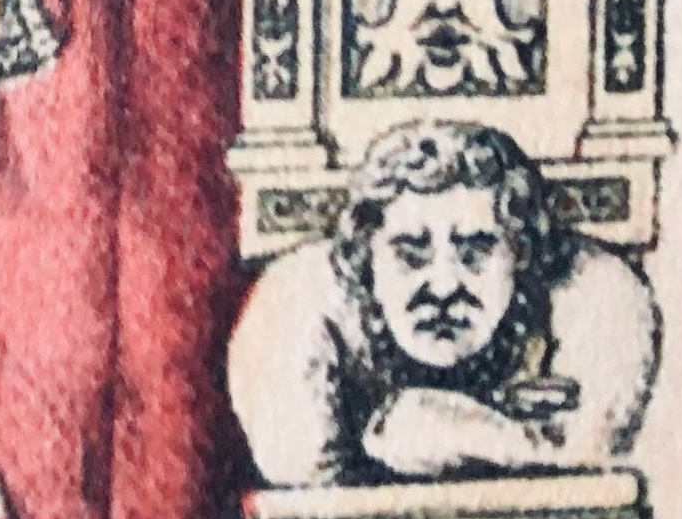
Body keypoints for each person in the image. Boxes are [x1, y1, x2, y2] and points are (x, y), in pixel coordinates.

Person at [227, 116, 659, 485]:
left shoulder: (597, 295)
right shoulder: (300, 306)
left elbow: (591, 453)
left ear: (520, 256)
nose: (443, 286)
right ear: (367, 261)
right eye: (410, 254)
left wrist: (444, 427)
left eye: (474, 252)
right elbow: (296, 464)